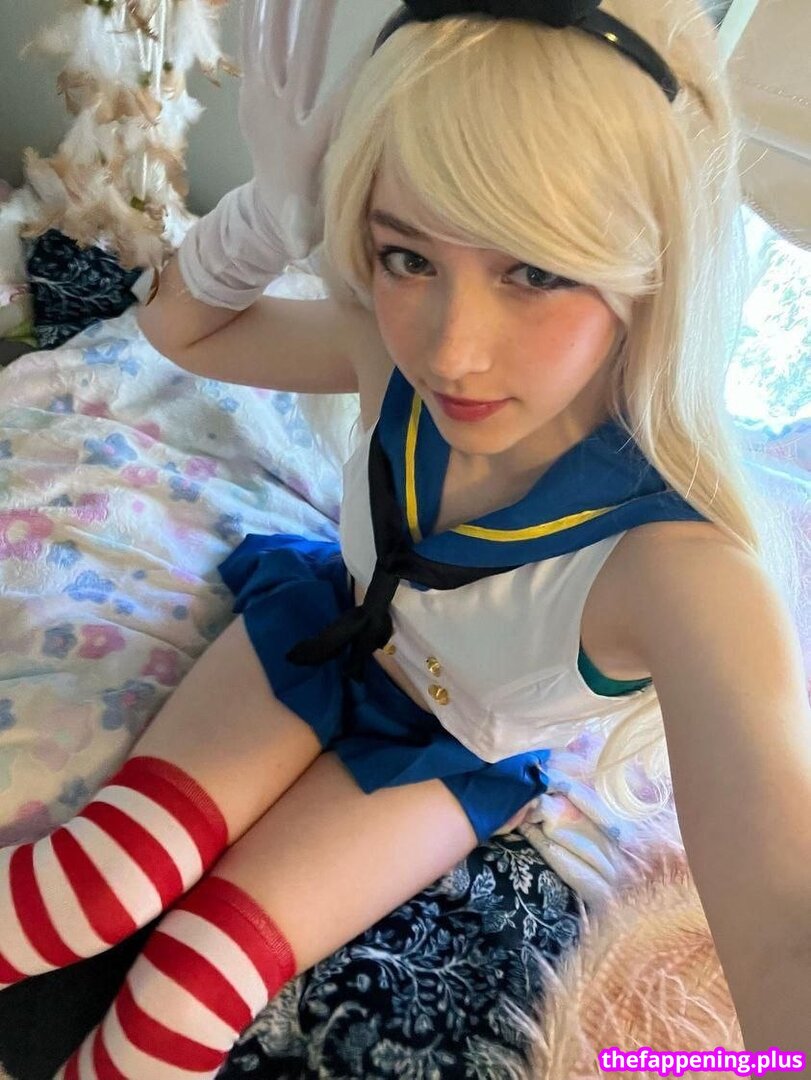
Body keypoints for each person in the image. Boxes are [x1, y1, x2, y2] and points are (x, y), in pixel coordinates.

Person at [2, 1, 810, 1076]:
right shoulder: (395, 364)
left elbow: (781, 916)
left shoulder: (680, 572)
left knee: (194, 988)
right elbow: (178, 329)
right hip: (321, 624)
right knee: (95, 881)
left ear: (648, 263)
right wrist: (273, 211)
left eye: (533, 271)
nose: (452, 349)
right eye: (406, 255)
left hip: (448, 750)